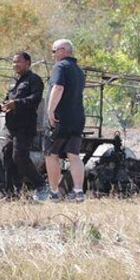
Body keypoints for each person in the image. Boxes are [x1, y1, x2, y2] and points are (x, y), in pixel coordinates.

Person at [35, 39, 86, 202]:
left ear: (63, 50)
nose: (53, 55)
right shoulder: (79, 70)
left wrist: (50, 111)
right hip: (77, 118)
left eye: (54, 51)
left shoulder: (60, 66)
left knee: (51, 154)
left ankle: (54, 192)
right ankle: (78, 192)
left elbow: (58, 87)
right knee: (74, 155)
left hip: (60, 118)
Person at [0, 51, 45, 199]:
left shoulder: (34, 80)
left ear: (28, 63)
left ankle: (40, 184)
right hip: (10, 126)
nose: (15, 65)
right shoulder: (13, 82)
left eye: (18, 61)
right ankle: (11, 192)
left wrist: (16, 104)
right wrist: (2, 105)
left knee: (19, 156)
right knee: (7, 155)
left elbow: (35, 99)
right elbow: (7, 99)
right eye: (13, 62)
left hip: (25, 126)